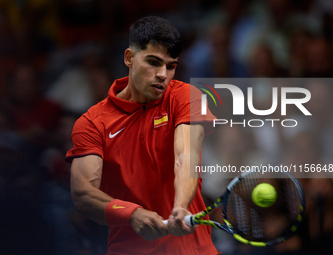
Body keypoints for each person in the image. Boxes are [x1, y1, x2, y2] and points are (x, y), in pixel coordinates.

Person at [66, 16, 219, 254]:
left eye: (171, 66)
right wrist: (132, 214)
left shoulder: (187, 96)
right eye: (154, 62)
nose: (163, 75)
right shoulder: (92, 123)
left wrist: (180, 206)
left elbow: (185, 156)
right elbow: (82, 193)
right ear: (129, 58)